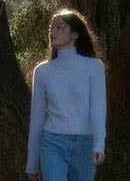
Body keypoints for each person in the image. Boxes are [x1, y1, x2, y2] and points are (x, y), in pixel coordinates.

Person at [25, 9, 107, 181]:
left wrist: (99, 145)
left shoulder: (94, 67)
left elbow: (98, 109)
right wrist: (32, 162)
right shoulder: (43, 71)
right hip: (52, 143)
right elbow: (37, 117)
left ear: (75, 34)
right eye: (51, 28)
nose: (52, 32)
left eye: (59, 27)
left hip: (85, 143)